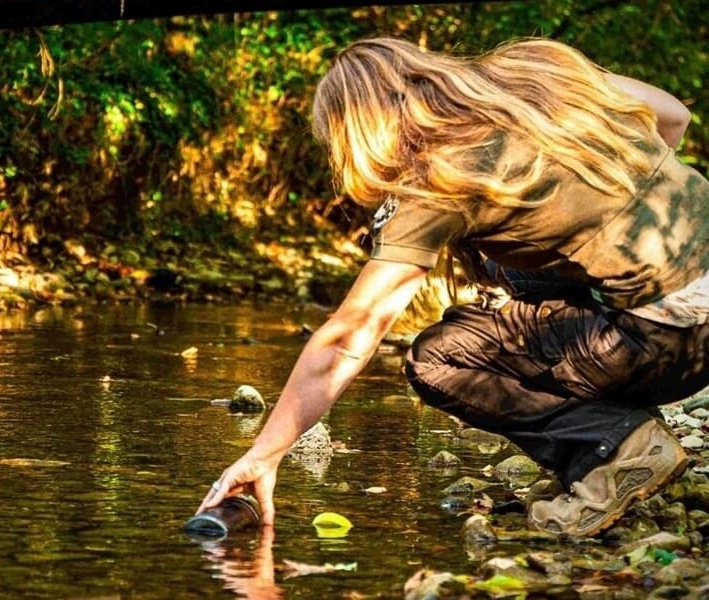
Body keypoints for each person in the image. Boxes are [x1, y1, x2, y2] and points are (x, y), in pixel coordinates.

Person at [197, 36, 709, 538]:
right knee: (511, 270)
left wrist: (264, 454)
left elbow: (348, 339)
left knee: (439, 359)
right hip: (692, 328)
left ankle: (618, 447)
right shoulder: (535, 70)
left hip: (673, 346)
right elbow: (673, 118)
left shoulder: (434, 176)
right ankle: (615, 415)